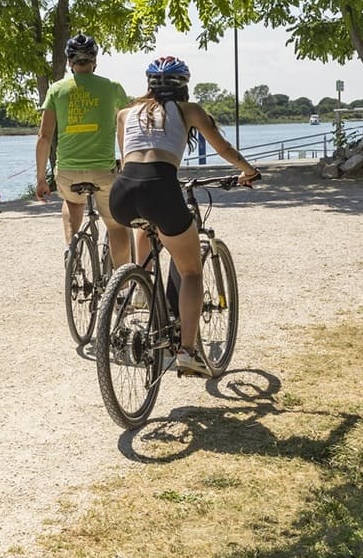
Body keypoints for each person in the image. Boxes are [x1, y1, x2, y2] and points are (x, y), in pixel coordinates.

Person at [111, 56, 260, 376]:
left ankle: (141, 283)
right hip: (160, 189)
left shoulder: (125, 113)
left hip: (122, 194)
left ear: (149, 84)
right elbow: (222, 149)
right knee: (191, 271)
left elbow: (128, 163)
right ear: (184, 86)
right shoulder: (189, 111)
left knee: (145, 223)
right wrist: (248, 171)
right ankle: (188, 352)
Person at [35, 33, 132, 267]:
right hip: (103, 171)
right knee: (116, 225)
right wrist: (128, 166)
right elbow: (128, 128)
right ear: (94, 60)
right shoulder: (112, 87)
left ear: (69, 62)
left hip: (68, 171)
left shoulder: (57, 90)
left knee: (72, 202)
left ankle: (72, 249)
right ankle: (122, 287)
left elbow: (44, 136)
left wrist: (41, 179)